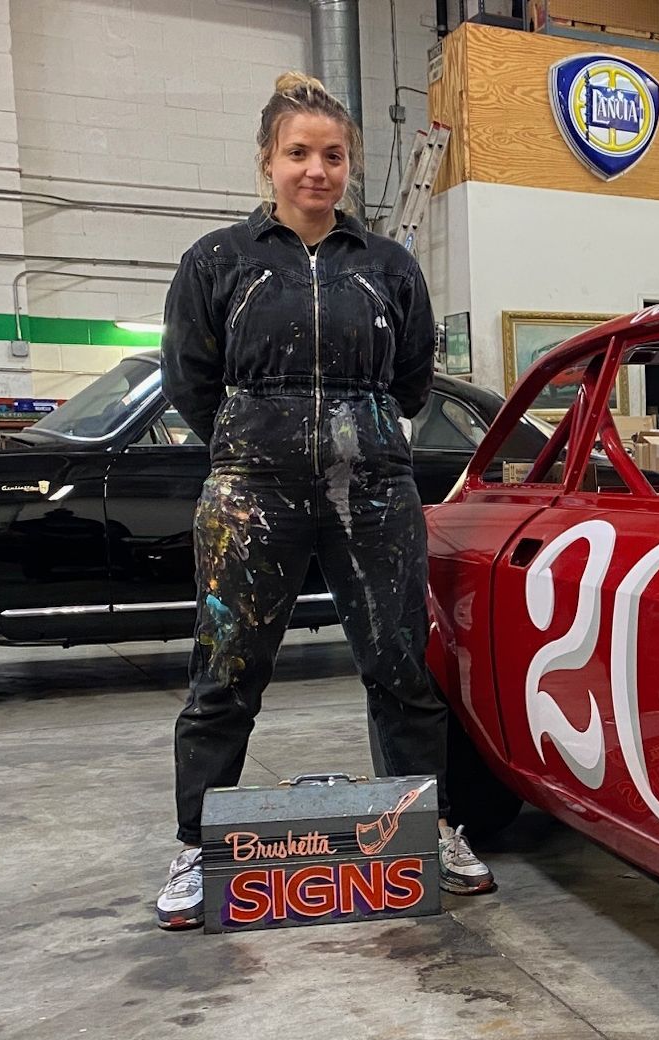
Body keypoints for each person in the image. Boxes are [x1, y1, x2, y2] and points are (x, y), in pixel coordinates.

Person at [152, 71, 494, 928]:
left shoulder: (389, 266)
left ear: (350, 165)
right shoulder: (217, 262)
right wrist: (257, 442)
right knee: (225, 674)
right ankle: (200, 843)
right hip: (249, 490)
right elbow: (190, 382)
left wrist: (356, 436)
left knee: (401, 668)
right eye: (298, 153)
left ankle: (432, 827)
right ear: (267, 161)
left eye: (332, 155)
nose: (317, 170)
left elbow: (412, 380)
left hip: (373, 490)